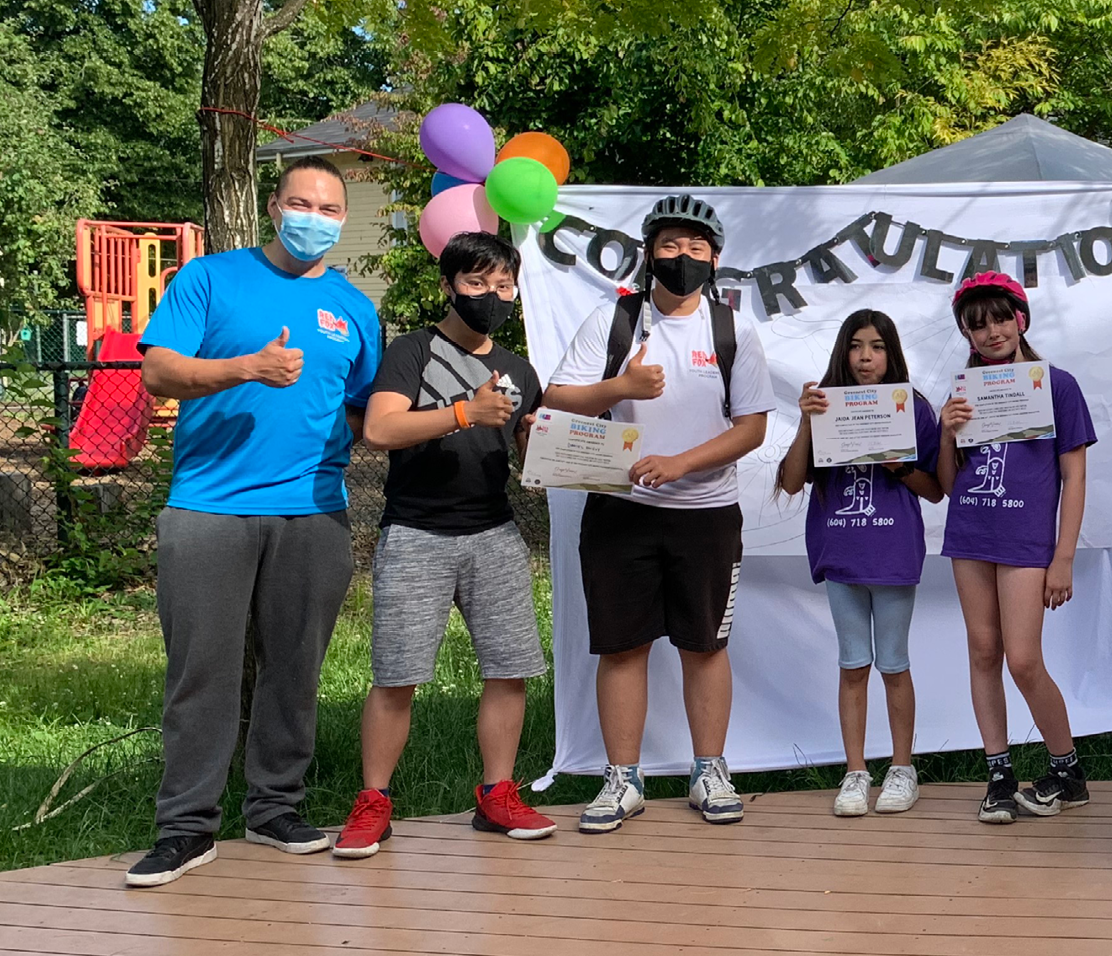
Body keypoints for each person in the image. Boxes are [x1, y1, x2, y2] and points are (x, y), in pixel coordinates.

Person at [126, 156, 383, 887]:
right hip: (208, 506)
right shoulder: (210, 278)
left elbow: (368, 411)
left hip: (315, 512)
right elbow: (159, 371)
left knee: (294, 669)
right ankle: (185, 827)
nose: (314, 217)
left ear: (342, 219)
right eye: (300, 202)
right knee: (201, 673)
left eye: (329, 207)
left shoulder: (355, 307)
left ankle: (275, 808)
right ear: (274, 207)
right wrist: (245, 368)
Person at [544, 195, 772, 833]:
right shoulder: (613, 320)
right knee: (623, 647)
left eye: (696, 248)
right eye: (670, 246)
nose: (683, 258)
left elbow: (752, 427)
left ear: (715, 259)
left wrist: (682, 463)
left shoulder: (732, 330)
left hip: (707, 514)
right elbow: (558, 398)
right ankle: (623, 779)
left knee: (706, 646)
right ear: (650, 253)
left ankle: (710, 769)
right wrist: (620, 387)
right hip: (619, 510)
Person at [333, 231, 551, 860]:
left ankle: (498, 794)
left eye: (503, 285)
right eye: (477, 283)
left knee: (510, 671)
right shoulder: (410, 351)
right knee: (396, 676)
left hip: (495, 533)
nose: (492, 296)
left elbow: (527, 465)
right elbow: (379, 428)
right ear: (448, 286)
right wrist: (462, 411)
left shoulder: (520, 369)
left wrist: (536, 436)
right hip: (414, 534)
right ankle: (374, 802)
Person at [937, 271, 1098, 824]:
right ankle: (999, 773)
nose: (991, 332)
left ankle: (1067, 769)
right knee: (983, 652)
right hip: (970, 533)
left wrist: (1064, 556)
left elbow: (1074, 477)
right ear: (965, 331)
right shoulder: (962, 390)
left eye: (1001, 318)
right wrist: (944, 431)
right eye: (977, 324)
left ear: (1021, 319)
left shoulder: (1057, 384)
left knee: (1024, 659)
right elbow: (943, 483)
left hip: (1028, 540)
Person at [777, 309, 943, 817]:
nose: (866, 356)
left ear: (891, 353)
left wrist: (900, 465)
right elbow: (788, 481)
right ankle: (855, 772)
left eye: (876, 346)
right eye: (855, 346)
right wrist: (806, 419)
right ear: (842, 353)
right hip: (840, 554)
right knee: (853, 664)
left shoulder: (912, 407)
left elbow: (936, 490)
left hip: (892, 554)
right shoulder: (822, 404)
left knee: (893, 663)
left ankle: (901, 769)